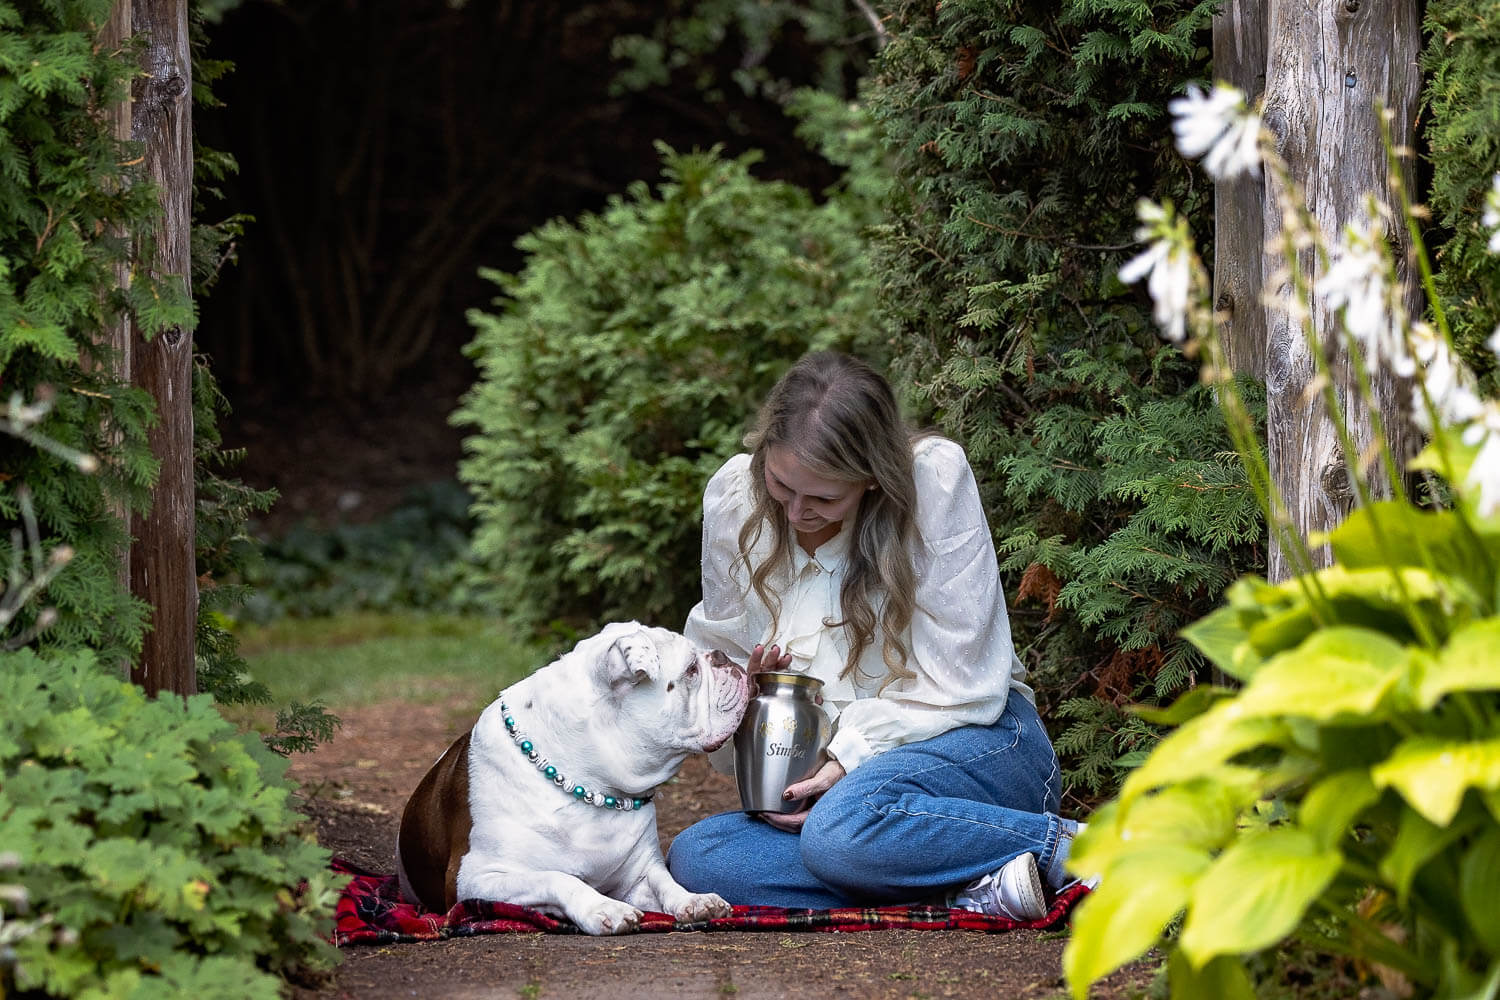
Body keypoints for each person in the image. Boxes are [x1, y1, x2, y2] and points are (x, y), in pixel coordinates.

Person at [665, 351, 1084, 918]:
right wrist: (751, 706)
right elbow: (726, 676)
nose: (795, 512)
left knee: (842, 831)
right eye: (783, 485)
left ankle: (1075, 847)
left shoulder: (932, 484)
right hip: (854, 803)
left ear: (870, 479)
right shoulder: (735, 501)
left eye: (824, 497)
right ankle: (972, 885)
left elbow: (968, 689)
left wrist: (848, 759)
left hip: (982, 749)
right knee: (700, 857)